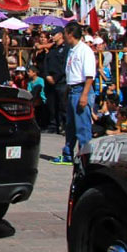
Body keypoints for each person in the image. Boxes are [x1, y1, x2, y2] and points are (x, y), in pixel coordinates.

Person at [54, 22, 96, 165]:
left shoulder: (85, 51)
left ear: (70, 34)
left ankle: (86, 158)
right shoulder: (72, 50)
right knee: (70, 127)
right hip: (72, 90)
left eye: (65, 33)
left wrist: (84, 95)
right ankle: (67, 155)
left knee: (82, 128)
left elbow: (89, 76)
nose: (63, 36)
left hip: (82, 90)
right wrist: (67, 92)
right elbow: (71, 73)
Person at [43, 28, 69, 134]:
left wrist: (56, 78)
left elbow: (64, 65)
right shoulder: (52, 49)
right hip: (50, 80)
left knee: (63, 105)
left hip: (61, 80)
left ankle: (65, 125)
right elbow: (46, 62)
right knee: (52, 105)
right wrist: (47, 75)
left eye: (54, 34)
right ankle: (53, 125)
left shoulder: (66, 48)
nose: (52, 36)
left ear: (60, 35)